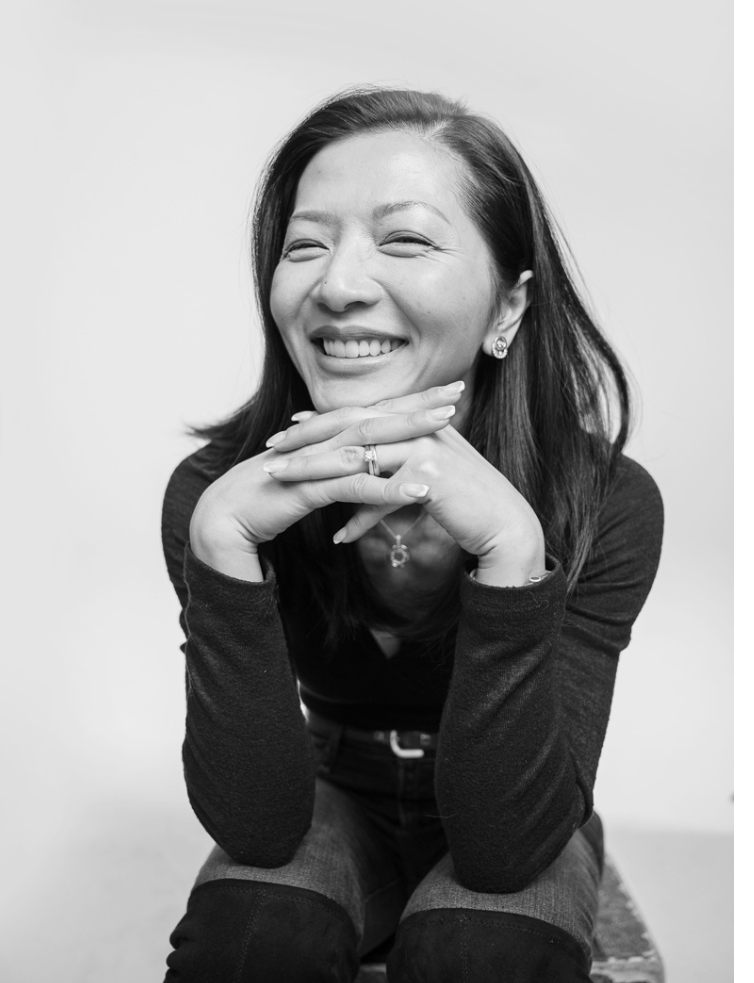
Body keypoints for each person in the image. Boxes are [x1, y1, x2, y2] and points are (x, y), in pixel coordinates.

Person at [160, 87, 663, 982]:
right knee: (249, 935)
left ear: (508, 309)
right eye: (306, 245)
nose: (339, 285)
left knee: (485, 948)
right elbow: (259, 829)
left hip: (519, 804)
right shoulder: (215, 496)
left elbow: (505, 853)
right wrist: (223, 552)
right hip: (332, 791)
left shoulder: (606, 500)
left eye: (405, 240)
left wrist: (513, 550)